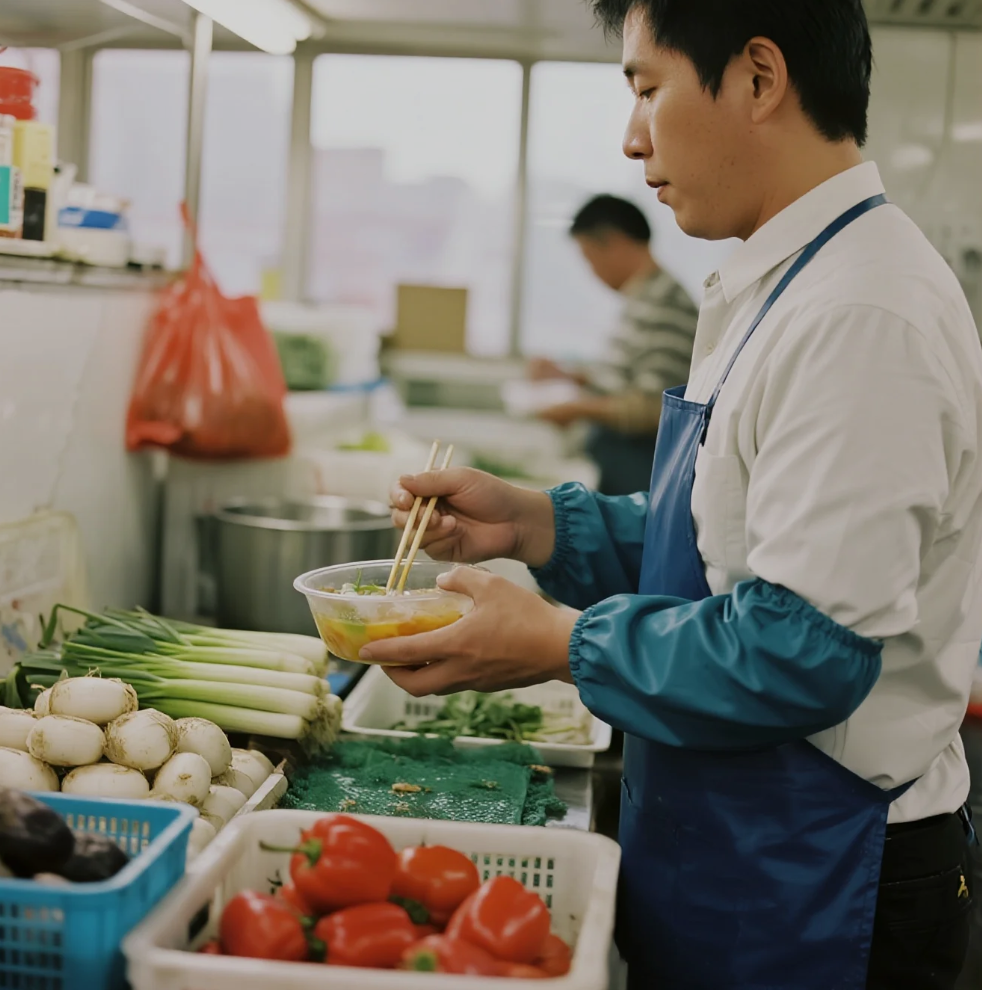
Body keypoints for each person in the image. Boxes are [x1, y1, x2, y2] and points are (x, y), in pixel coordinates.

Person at [368, 1, 982, 987]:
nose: (628, 136)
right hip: (733, 841)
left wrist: (554, 643)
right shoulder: (779, 280)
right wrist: (536, 524)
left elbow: (801, 647)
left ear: (757, 77)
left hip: (822, 871)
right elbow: (719, 545)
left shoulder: (863, 312)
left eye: (646, 88)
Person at [529, 194, 698, 496]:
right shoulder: (643, 297)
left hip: (638, 465)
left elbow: (653, 408)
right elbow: (625, 379)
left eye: (589, 258)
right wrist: (568, 375)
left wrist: (578, 409)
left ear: (615, 243)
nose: (591, 272)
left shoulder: (665, 304)